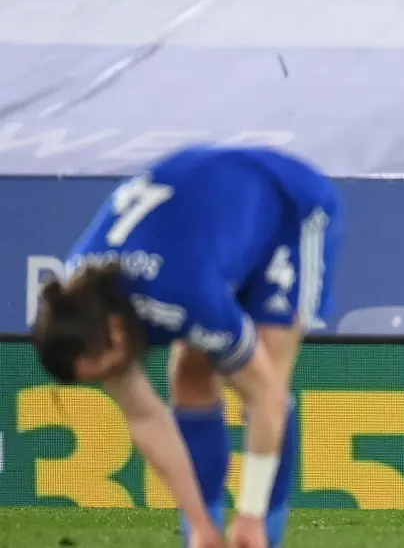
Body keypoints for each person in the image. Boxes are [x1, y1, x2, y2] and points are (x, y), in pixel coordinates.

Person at [31, 145, 343, 547]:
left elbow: (266, 397)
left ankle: (265, 531)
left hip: (288, 204)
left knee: (267, 374)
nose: (115, 378)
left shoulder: (180, 294)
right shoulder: (80, 304)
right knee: (190, 372)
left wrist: (249, 513)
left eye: (111, 368)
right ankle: (202, 532)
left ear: (116, 329)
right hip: (208, 229)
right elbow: (144, 417)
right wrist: (199, 523)